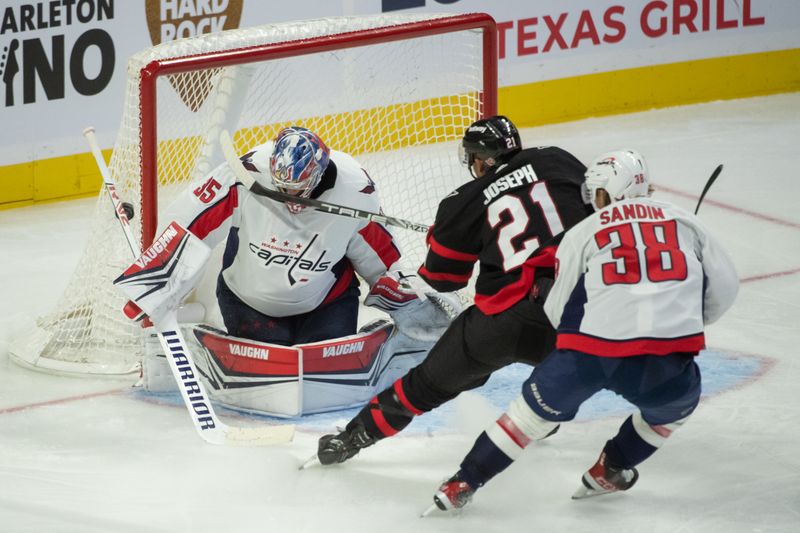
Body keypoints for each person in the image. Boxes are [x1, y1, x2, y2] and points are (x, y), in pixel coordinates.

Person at [425, 149, 739, 514]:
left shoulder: (584, 231)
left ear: (603, 194)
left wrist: (576, 346)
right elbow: (724, 290)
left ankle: (462, 482)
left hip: (588, 354)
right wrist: (682, 316)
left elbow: (557, 307)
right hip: (664, 355)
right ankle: (613, 467)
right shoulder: (686, 223)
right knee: (673, 408)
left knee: (525, 419)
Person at [313, 115, 594, 466]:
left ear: (477, 159)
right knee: (616, 356)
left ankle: (349, 440)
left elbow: (444, 279)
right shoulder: (557, 158)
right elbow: (599, 207)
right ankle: (547, 407)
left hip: (501, 323)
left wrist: (444, 237)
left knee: (424, 385)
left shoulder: (463, 201)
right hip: (578, 310)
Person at [160, 126, 420, 345]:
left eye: (297, 188)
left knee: (324, 367)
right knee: (267, 363)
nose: (288, 196)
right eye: (282, 186)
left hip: (327, 301)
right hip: (249, 300)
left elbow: (379, 252)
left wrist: (399, 289)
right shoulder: (246, 172)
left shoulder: (354, 192)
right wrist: (157, 283)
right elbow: (190, 224)